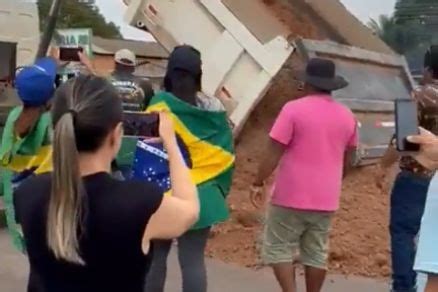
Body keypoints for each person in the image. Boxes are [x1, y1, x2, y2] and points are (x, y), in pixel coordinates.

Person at [12, 75, 199, 292]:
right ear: (117, 134)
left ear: (57, 130)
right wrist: (171, 142)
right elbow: (190, 210)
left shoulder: (27, 194)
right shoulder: (140, 204)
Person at [250, 58, 357, 292]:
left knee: (278, 247)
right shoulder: (347, 115)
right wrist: (335, 179)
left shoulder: (293, 109)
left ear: (307, 84)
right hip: (326, 198)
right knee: (316, 252)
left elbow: (274, 150)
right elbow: (350, 158)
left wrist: (258, 181)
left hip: (290, 194)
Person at [144, 45, 235, 292]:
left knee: (156, 257)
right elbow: (227, 155)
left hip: (166, 194)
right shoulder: (215, 111)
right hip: (202, 196)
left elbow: (146, 155)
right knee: (192, 261)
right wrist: (217, 188)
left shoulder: (159, 106)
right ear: (198, 74)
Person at [376, 46, 438, 292]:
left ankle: (403, 286)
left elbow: (403, 140)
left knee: (403, 232)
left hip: (416, 177)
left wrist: (382, 166)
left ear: (427, 70)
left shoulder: (420, 96)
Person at [0, 56, 58, 252]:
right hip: (46, 206)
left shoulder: (15, 117)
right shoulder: (54, 121)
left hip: (19, 206)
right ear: (52, 94)